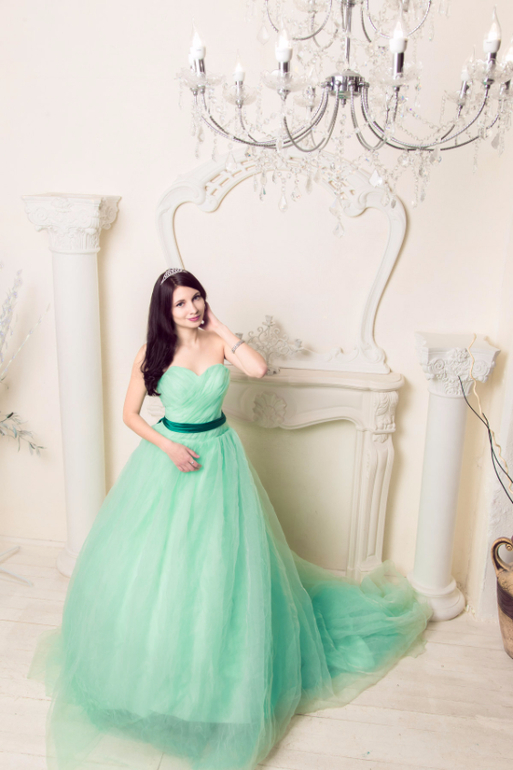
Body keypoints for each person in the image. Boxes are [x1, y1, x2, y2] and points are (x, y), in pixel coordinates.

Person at [28, 268, 432, 770]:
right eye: (181, 303)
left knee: (220, 562)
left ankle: (221, 674)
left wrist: (219, 326)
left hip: (220, 457)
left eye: (197, 298)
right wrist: (168, 446)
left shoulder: (217, 342)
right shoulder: (151, 354)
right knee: (165, 566)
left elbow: (258, 370)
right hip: (173, 459)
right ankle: (160, 677)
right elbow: (130, 415)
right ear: (164, 311)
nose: (192, 308)